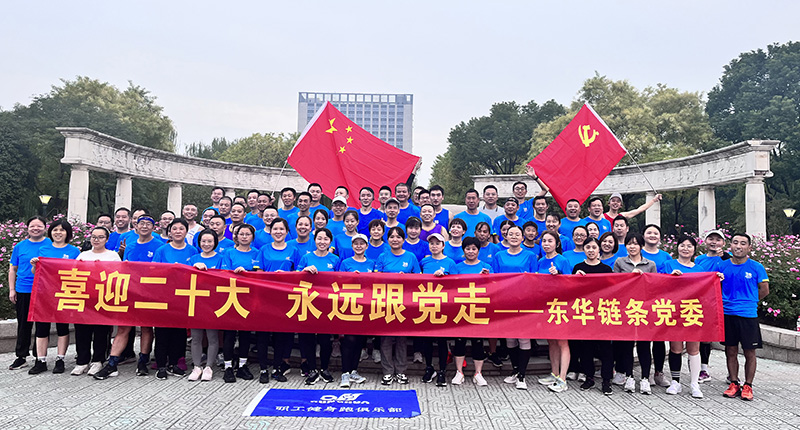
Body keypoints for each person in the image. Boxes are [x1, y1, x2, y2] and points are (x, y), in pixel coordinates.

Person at [661, 235, 720, 399]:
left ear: (694, 250)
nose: (685, 248)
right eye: (682, 245)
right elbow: (658, 285)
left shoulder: (700, 269)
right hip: (674, 311)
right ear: (677, 247)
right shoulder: (668, 265)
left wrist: (716, 280)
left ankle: (694, 383)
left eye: (689, 246)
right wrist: (669, 278)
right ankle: (675, 382)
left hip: (693, 311)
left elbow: (706, 289)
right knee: (676, 348)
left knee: (694, 349)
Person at [145, 218, 198, 381]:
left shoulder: (192, 251)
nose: (178, 231)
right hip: (164, 296)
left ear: (186, 231)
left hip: (183, 296)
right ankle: (161, 365)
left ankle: (175, 363)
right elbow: (154, 270)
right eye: (174, 229)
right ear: (169, 232)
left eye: (181, 228)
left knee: (179, 332)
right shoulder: (162, 250)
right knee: (162, 332)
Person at [720, 233, 769, 401]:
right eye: (735, 242)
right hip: (728, 313)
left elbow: (764, 289)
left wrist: (750, 301)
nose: (738, 246)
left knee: (750, 351)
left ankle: (748, 385)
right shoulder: (722, 266)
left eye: (742, 243)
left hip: (748, 315)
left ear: (749, 247)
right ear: (730, 245)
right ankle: (734, 382)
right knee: (730, 350)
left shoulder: (756, 267)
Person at [27, 219, 80, 374]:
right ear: (50, 232)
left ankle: (60, 359)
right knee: (41, 328)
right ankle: (41, 360)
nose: (58, 233)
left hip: (64, 293)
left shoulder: (74, 251)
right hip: (44, 294)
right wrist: (34, 266)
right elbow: (36, 273)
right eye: (55, 229)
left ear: (67, 233)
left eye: (62, 230)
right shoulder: (43, 249)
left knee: (62, 327)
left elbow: (79, 273)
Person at [492, 226, 539, 390]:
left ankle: (522, 376)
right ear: (505, 236)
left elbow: (536, 279)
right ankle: (515, 369)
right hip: (505, 302)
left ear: (522, 237)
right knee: (510, 338)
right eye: (510, 234)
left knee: (523, 338)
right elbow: (494, 279)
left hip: (524, 302)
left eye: (517, 234)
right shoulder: (499, 255)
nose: (513, 236)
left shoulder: (530, 256)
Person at [612, 232, 658, 395]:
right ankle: (629, 376)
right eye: (629, 243)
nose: (632, 246)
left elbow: (654, 286)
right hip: (626, 309)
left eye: (635, 243)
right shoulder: (620, 262)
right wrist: (629, 277)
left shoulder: (650, 264)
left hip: (644, 310)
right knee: (627, 345)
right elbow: (614, 284)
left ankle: (645, 378)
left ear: (641, 246)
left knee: (644, 345)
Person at [71, 227, 120, 376]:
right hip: (84, 298)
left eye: (100, 237)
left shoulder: (113, 256)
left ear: (106, 239)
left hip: (103, 299)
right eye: (93, 237)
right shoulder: (83, 255)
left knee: (101, 331)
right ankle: (82, 361)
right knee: (81, 331)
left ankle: (98, 360)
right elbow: (74, 273)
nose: (96, 240)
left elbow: (118, 275)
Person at [375, 227, 420, 385]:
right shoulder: (382, 256)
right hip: (386, 302)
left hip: (404, 303)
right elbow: (375, 278)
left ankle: (401, 371)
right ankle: (387, 372)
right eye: (392, 237)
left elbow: (419, 278)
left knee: (401, 338)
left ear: (403, 239)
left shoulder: (411, 256)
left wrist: (406, 278)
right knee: (386, 338)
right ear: (387, 239)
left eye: (398, 237)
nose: (395, 239)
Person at [258, 218, 300, 382]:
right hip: (265, 297)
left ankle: (277, 368)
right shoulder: (264, 249)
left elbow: (298, 273)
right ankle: (263, 369)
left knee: (280, 335)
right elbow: (258, 272)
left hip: (285, 299)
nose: (278, 232)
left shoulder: (293, 250)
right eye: (275, 229)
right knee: (263, 335)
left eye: (282, 229)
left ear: (287, 232)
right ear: (270, 231)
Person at [7, 216, 51, 371]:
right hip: (24, 289)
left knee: (42, 324)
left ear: (45, 228)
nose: (35, 229)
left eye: (39, 226)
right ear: (27, 228)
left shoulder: (51, 244)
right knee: (23, 324)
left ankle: (40, 356)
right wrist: (12, 289)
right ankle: (21, 356)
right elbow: (13, 269)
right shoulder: (20, 246)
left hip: (44, 291)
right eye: (32, 226)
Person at [297, 228, 340, 385]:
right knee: (308, 338)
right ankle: (312, 369)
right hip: (308, 303)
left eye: (326, 239)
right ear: (314, 240)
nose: (322, 242)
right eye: (319, 238)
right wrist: (304, 271)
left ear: (330, 241)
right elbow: (295, 278)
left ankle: (324, 369)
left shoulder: (335, 259)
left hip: (327, 304)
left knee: (325, 339)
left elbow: (341, 280)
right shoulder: (306, 257)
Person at [572, 238, 614, 395]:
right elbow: (571, 290)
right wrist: (575, 278)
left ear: (599, 250)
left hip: (602, 312)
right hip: (585, 312)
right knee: (586, 347)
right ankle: (589, 377)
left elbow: (613, 290)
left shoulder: (606, 269)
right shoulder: (578, 267)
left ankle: (606, 380)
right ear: (584, 249)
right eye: (588, 247)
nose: (591, 250)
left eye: (594, 247)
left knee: (606, 348)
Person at [220, 224, 261, 383]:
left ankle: (243, 365)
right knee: (230, 334)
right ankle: (228, 366)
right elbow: (223, 273)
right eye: (241, 234)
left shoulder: (257, 253)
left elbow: (260, 273)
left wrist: (248, 273)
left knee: (245, 333)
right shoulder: (229, 252)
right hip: (232, 296)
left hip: (250, 298)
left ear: (252, 237)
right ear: (236, 236)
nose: (244, 237)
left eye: (247, 234)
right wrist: (235, 274)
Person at [533, 231, 572, 392]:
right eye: (544, 241)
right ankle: (554, 373)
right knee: (551, 341)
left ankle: (563, 379)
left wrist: (559, 274)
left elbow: (571, 283)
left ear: (557, 243)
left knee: (562, 342)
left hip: (561, 305)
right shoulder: (541, 261)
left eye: (550, 241)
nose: (546, 244)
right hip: (546, 305)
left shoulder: (562, 260)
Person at [418, 233, 457, 386]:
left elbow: (456, 284)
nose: (434, 246)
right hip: (426, 305)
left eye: (437, 243)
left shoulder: (450, 263)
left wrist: (444, 278)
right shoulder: (424, 261)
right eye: (431, 243)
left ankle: (442, 370)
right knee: (426, 339)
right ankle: (429, 367)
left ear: (443, 245)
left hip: (443, 306)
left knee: (442, 340)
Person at [335, 234, 374, 388]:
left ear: (367, 246)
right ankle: (344, 373)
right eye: (356, 243)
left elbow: (376, 283)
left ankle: (353, 371)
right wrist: (351, 278)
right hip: (348, 306)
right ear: (352, 246)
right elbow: (337, 282)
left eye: (362, 243)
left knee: (359, 341)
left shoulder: (372, 263)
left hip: (365, 308)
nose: (359, 246)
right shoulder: (345, 263)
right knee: (348, 340)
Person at [694, 229, 731, 382]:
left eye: (718, 239)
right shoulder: (699, 259)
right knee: (703, 337)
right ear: (705, 241)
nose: (714, 242)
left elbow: (731, 272)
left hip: (721, 303)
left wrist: (724, 256)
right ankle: (703, 369)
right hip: (701, 302)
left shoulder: (727, 259)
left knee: (728, 341)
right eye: (711, 239)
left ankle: (732, 374)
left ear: (723, 243)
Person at [187, 229, 223, 381]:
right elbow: (185, 277)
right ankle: (197, 366)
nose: (206, 244)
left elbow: (224, 278)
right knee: (196, 337)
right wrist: (194, 267)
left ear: (215, 242)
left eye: (210, 241)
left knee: (212, 336)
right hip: (196, 301)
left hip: (213, 303)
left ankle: (209, 366)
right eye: (203, 241)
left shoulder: (221, 258)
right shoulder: (193, 259)